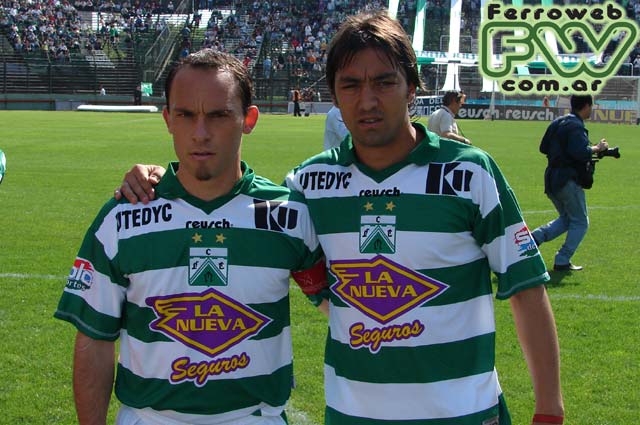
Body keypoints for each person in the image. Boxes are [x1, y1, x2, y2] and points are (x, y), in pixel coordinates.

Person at [117, 12, 564, 425]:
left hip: (463, 412)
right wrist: (158, 179)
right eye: (350, 85)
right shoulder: (308, 186)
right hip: (352, 415)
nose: (367, 100)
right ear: (334, 95)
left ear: (412, 88)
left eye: (384, 82)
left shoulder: (468, 173)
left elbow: (525, 286)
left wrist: (549, 409)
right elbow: (251, 223)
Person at [55, 49, 327, 425]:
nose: (200, 133)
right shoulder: (123, 217)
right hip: (148, 419)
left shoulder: (289, 215)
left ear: (248, 119)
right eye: (185, 115)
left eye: (218, 115)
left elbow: (343, 307)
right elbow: (94, 339)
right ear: (168, 119)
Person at [531, 95, 608, 271]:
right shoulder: (576, 126)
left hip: (551, 178)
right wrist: (598, 148)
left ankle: (534, 238)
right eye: (591, 106)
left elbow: (543, 148)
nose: (591, 110)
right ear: (586, 106)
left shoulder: (558, 122)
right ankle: (562, 259)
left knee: (567, 219)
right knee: (580, 222)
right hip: (567, 179)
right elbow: (580, 152)